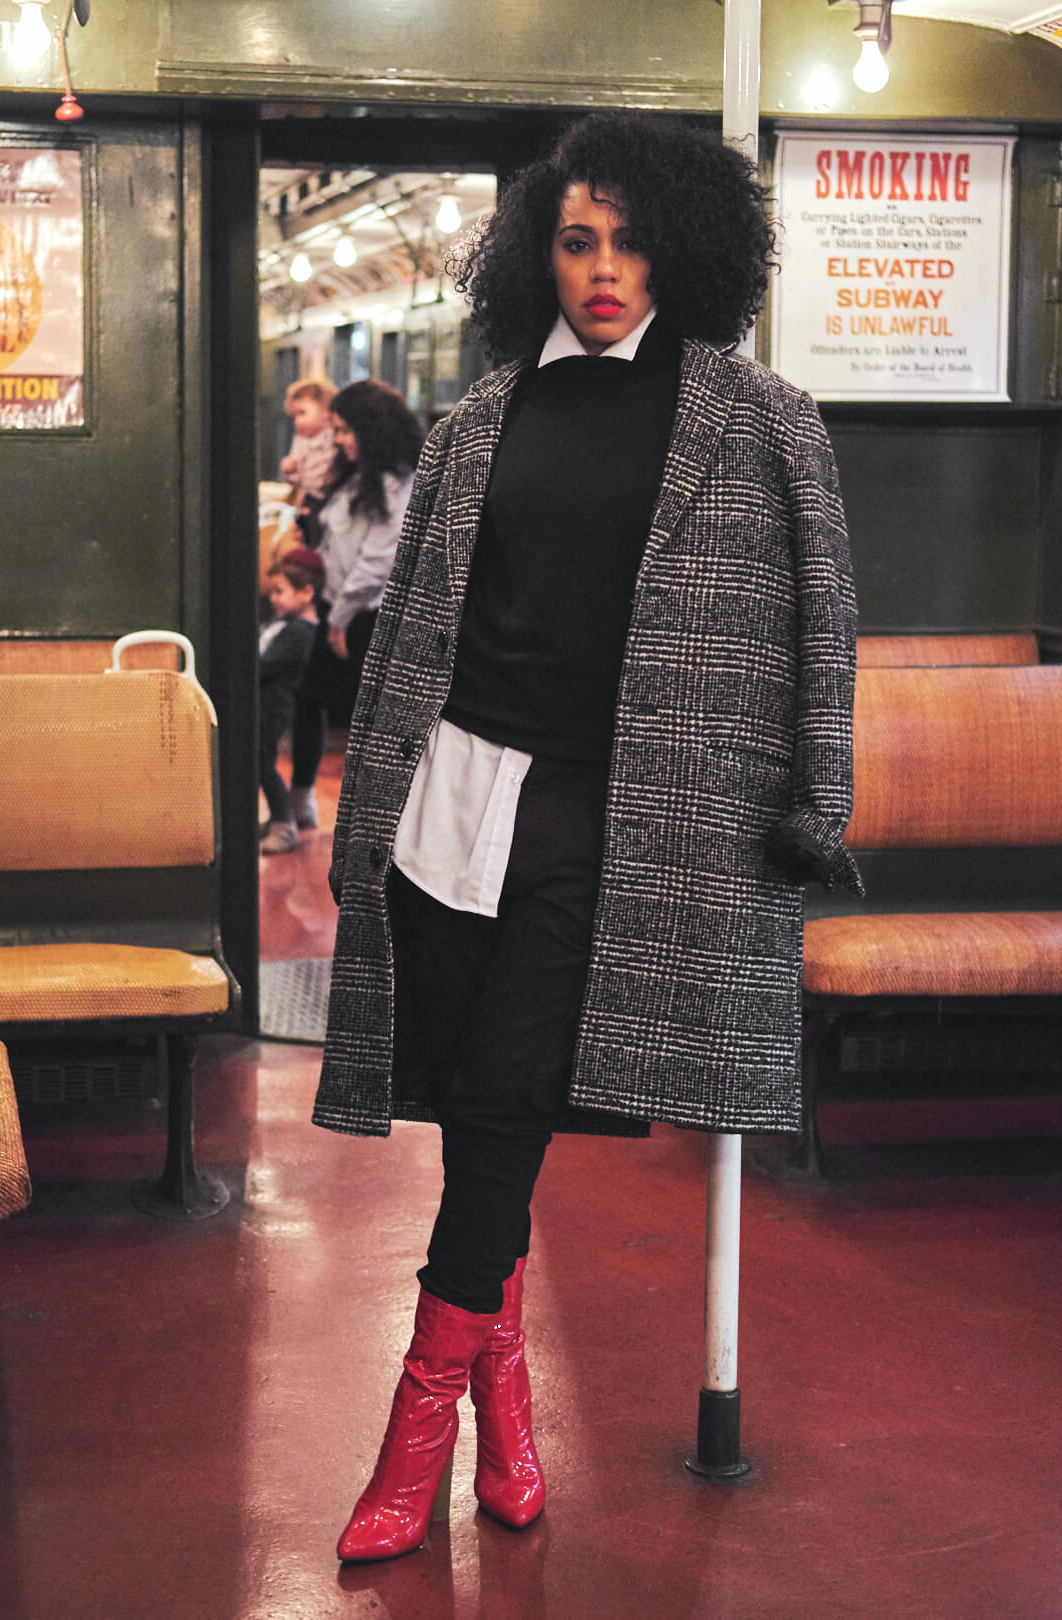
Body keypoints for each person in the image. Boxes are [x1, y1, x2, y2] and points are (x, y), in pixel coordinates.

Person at [313, 112, 864, 1563]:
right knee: (465, 1094)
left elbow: (823, 629)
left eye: (626, 240)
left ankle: (412, 1426)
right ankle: (503, 1395)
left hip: (610, 813)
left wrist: (818, 798)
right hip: (448, 802)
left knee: (504, 1092)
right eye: (573, 240)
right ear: (532, 255)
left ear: (683, 248)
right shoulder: (477, 421)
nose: (601, 270)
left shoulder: (756, 418)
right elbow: (412, 635)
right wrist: (366, 805)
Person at [288, 379, 423, 832]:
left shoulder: (394, 483)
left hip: (366, 616)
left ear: (370, 428)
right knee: (311, 700)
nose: (340, 440)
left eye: (346, 430)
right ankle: (303, 799)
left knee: (372, 720)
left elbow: (377, 562)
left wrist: (340, 619)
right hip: (337, 608)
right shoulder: (357, 476)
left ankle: (375, 821)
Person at [258, 547, 324, 854]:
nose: (273, 598)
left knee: (263, 763)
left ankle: (284, 825)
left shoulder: (300, 632)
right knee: (260, 762)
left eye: (280, 592)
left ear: (306, 592)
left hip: (272, 707)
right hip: (263, 703)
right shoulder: (280, 622)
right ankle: (279, 819)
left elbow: (266, 664)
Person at [279, 377, 338, 506]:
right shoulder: (300, 440)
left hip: (329, 502)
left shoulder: (336, 438)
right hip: (306, 501)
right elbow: (295, 481)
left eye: (302, 413)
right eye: (294, 415)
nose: (297, 421)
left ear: (326, 410)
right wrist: (289, 471)